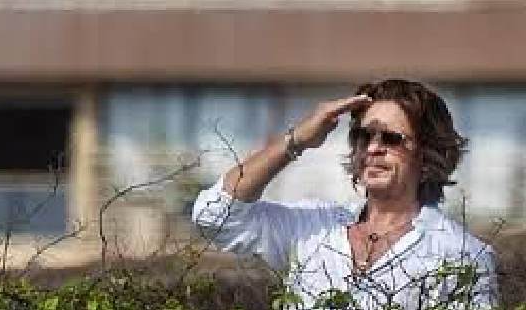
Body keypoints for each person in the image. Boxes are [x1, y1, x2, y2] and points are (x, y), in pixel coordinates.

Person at [191, 79, 498, 309]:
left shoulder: (462, 254)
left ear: (427, 152)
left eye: (391, 139)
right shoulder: (313, 226)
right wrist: (297, 140)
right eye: (364, 136)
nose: (373, 148)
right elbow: (213, 216)